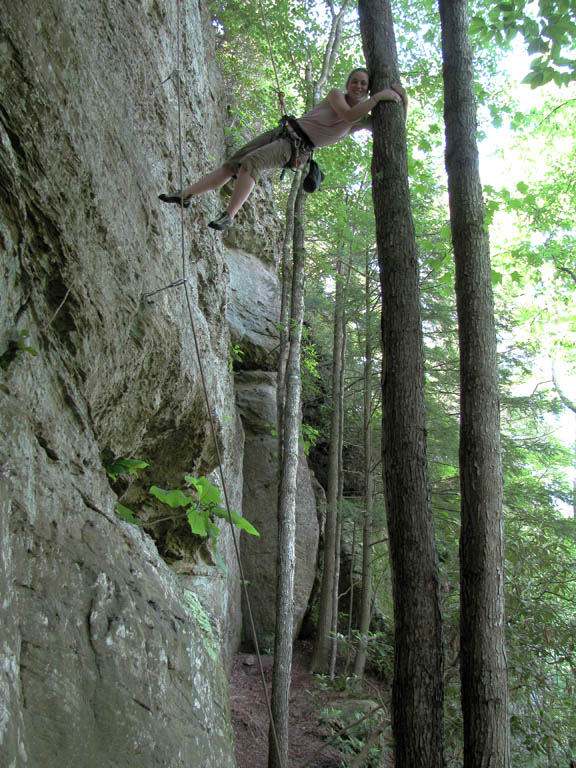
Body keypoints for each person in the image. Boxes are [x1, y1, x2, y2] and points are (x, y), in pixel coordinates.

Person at [159, 68, 407, 231]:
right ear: (347, 84)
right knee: (231, 166)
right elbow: (347, 112)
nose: (359, 86)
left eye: (364, 83)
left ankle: (229, 216)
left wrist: (402, 99)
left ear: (368, 87)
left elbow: (393, 127)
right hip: (282, 132)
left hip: (295, 146)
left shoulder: (356, 124)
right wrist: (378, 98)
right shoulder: (336, 96)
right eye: (355, 81)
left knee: (251, 164)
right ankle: (187, 194)